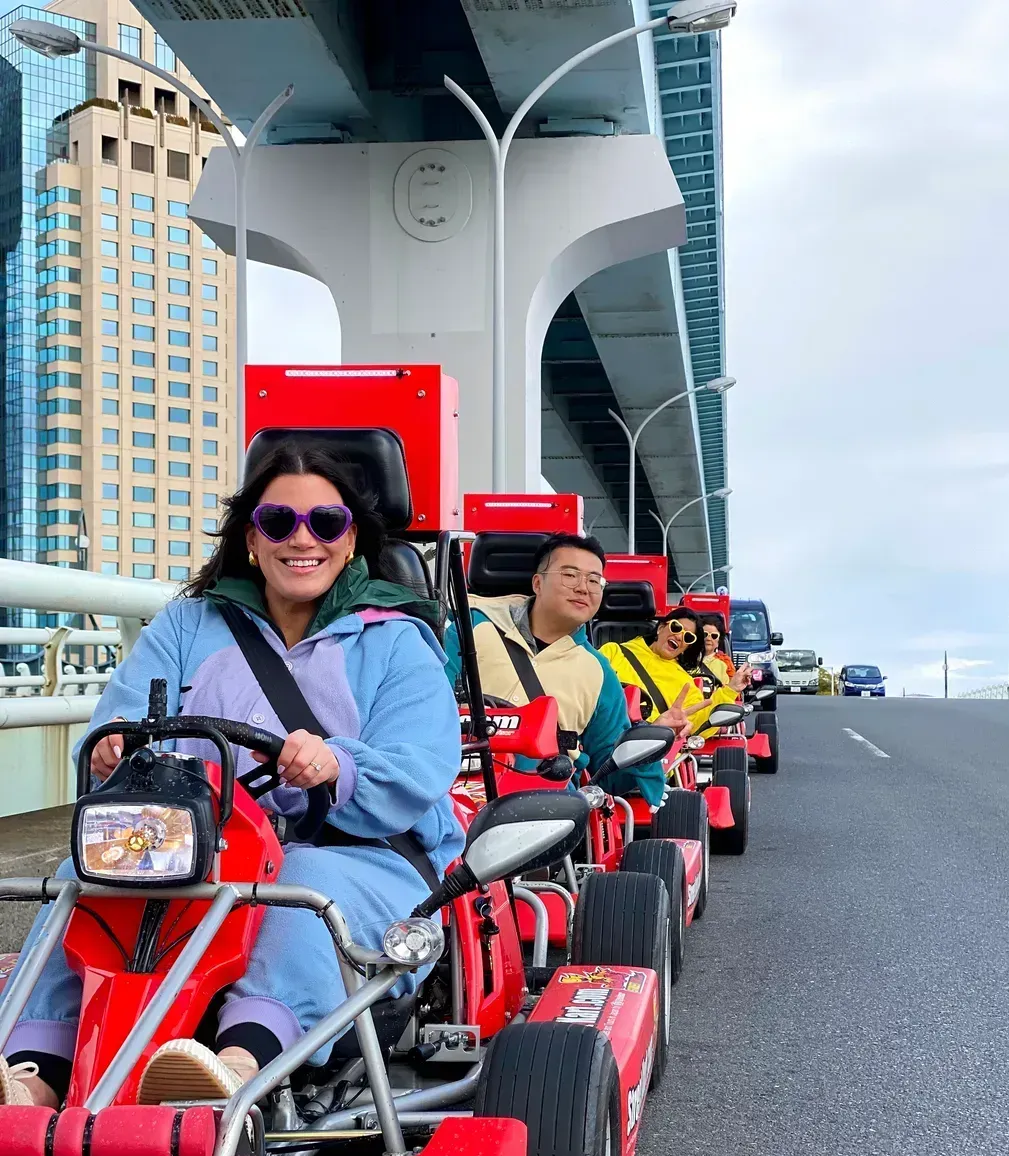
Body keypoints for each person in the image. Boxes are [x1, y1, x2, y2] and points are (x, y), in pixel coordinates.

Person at [0, 440, 463, 1108]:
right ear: (251, 537)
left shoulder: (396, 639)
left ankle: (239, 1066)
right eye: (278, 522)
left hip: (352, 850)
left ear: (350, 540)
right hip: (197, 847)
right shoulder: (188, 623)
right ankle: (33, 1074)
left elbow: (416, 766)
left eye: (325, 522)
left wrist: (337, 764)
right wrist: (112, 753)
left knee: (302, 888)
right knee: (85, 878)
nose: (301, 539)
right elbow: (120, 720)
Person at [444, 533, 678, 803]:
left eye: (594, 580)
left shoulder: (598, 672)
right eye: (570, 575)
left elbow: (609, 772)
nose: (583, 588)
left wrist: (647, 748)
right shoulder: (469, 630)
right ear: (537, 583)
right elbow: (427, 710)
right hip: (452, 788)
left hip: (547, 807)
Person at [600, 609, 751, 738]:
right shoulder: (613, 652)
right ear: (661, 628)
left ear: (686, 647)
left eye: (688, 637)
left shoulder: (684, 681)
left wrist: (731, 689)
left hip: (652, 748)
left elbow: (699, 723)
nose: (679, 637)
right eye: (676, 627)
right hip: (602, 736)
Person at [697, 612, 736, 683]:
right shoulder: (685, 659)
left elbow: (733, 687)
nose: (708, 638)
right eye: (705, 634)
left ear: (719, 641)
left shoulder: (725, 662)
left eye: (714, 636)